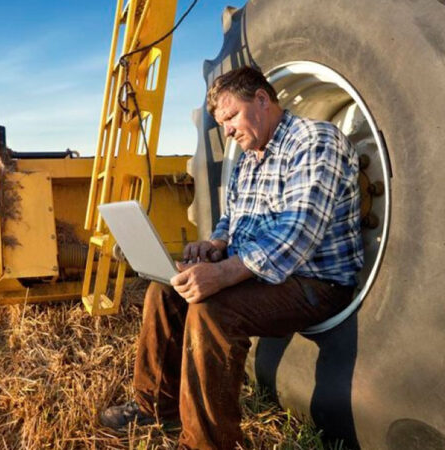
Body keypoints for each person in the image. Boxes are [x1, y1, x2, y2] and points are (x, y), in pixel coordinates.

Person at [99, 66, 364, 449]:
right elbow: (233, 218)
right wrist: (216, 245)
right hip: (265, 276)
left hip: (315, 283)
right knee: (165, 292)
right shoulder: (249, 158)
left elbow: (297, 235)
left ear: (261, 99)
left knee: (212, 311)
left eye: (231, 116)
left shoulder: (315, 141)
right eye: (221, 122)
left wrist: (221, 275)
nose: (227, 130)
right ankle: (155, 405)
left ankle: (208, 443)